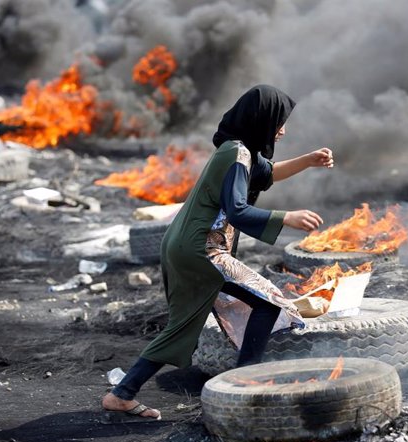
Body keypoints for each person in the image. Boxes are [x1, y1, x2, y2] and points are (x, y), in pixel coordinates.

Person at [102, 84, 334, 419]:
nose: (282, 129)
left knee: (181, 326)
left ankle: (122, 394)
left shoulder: (240, 151)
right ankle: (242, 387)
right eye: (279, 121)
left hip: (184, 245)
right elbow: (237, 210)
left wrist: (308, 160)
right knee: (270, 303)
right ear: (261, 119)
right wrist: (287, 217)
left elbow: (266, 175)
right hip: (202, 249)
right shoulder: (236, 154)